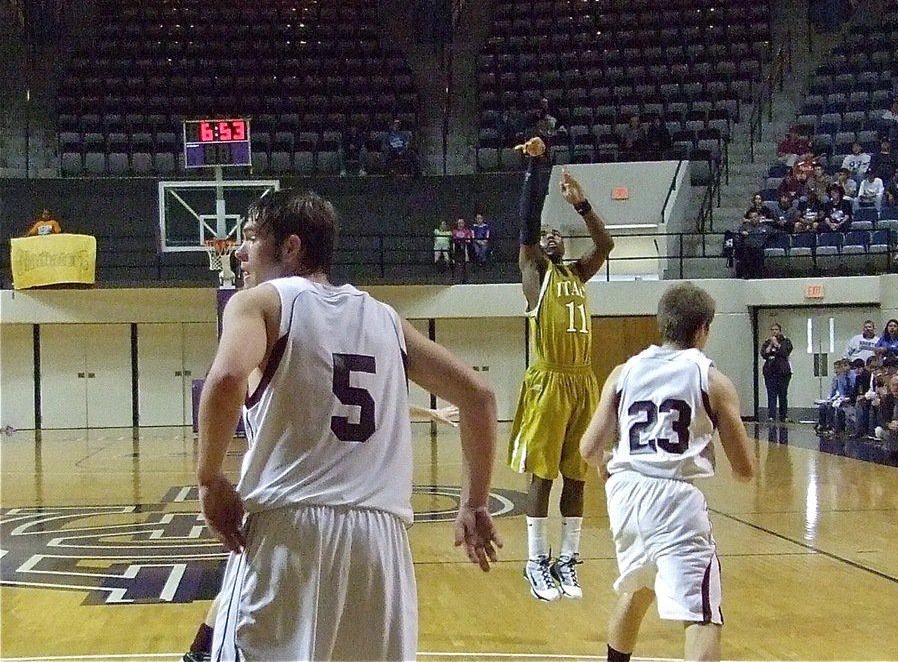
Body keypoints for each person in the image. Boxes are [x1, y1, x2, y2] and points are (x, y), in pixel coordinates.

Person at [196, 188, 501, 660]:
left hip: (289, 533)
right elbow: (478, 398)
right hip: (381, 546)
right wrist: (474, 502)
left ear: (291, 247)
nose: (240, 250)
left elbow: (228, 376)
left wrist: (210, 479)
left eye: (252, 238)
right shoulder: (386, 319)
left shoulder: (259, 303)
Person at [579, 282, 756, 662]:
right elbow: (744, 470)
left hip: (624, 495)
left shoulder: (623, 372)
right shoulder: (712, 380)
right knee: (704, 616)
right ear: (703, 329)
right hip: (673, 498)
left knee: (639, 588)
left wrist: (608, 465)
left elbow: (589, 448)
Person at [507, 137, 614, 601]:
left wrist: (583, 204)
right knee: (543, 475)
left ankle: (567, 558)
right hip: (549, 380)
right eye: (545, 234)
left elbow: (605, 243)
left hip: (583, 382)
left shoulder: (576, 273)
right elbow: (528, 229)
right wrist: (538, 169)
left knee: (577, 474)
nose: (551, 237)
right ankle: (535, 561)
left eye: (558, 234)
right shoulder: (536, 272)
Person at [759, 323, 793, 422]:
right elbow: (764, 354)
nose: (774, 331)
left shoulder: (786, 341)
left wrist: (777, 345)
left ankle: (784, 415)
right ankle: (771, 415)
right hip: (770, 372)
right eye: (773, 329)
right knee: (771, 394)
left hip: (783, 372)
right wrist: (771, 344)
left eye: (776, 329)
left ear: (780, 330)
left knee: (782, 394)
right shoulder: (767, 342)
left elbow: (785, 352)